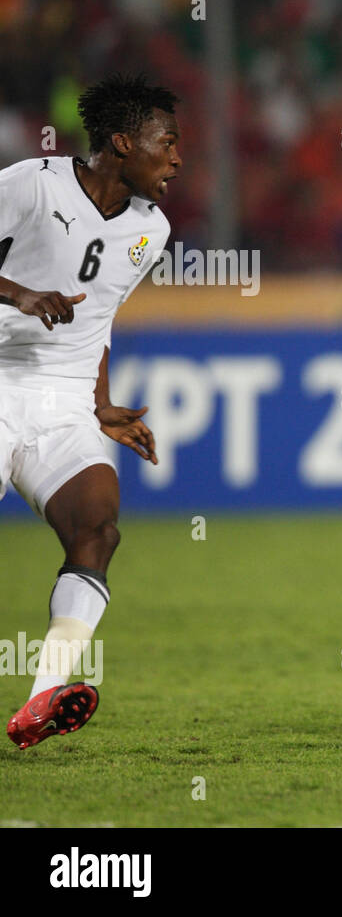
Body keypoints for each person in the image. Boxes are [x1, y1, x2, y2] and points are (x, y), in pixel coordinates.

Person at [2, 74, 178, 749]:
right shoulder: (31, 184)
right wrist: (16, 292)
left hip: (64, 400)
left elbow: (98, 318)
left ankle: (40, 699)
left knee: (98, 531)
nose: (177, 159)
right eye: (168, 143)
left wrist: (99, 405)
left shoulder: (150, 229)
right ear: (122, 141)